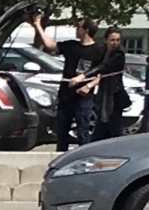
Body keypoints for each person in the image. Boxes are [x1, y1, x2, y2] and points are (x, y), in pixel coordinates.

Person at [54, 18, 97, 150]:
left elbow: (102, 73)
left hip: (84, 98)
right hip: (66, 95)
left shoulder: (98, 50)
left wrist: (88, 86)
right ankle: (60, 158)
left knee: (83, 130)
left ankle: (84, 159)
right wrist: (37, 26)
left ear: (86, 30)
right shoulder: (71, 46)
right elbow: (51, 45)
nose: (76, 29)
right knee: (62, 131)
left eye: (79, 27)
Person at [92, 26, 133, 141]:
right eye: (112, 40)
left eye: (118, 40)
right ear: (106, 40)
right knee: (101, 128)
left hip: (114, 95)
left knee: (114, 128)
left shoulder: (119, 54)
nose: (115, 43)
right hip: (103, 94)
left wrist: (84, 75)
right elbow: (95, 64)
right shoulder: (103, 52)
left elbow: (103, 67)